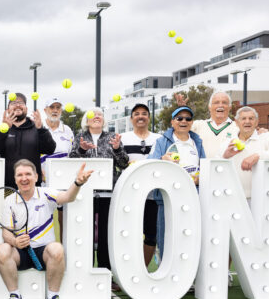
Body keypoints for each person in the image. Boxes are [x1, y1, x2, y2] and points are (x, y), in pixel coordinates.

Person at [0, 159, 93, 299]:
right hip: (20, 254)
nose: (24, 178)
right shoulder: (9, 201)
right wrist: (15, 242)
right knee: (3, 249)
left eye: (28, 174)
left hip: (43, 253)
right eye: (20, 175)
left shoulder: (46, 193)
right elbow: (6, 233)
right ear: (15, 179)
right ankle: (15, 297)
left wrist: (77, 183)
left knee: (57, 248)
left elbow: (68, 197)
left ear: (36, 176)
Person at [69, 108, 128, 272]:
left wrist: (117, 149)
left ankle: (105, 270)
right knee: (84, 232)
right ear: (86, 120)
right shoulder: (79, 138)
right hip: (84, 193)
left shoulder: (112, 137)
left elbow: (123, 163)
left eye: (100, 115)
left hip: (108, 193)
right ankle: (84, 269)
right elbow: (71, 161)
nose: (96, 117)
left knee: (105, 233)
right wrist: (81, 149)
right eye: (92, 115)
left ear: (104, 120)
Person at [148, 106, 205, 260]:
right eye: (179, 118)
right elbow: (149, 164)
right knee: (166, 236)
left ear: (192, 122)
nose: (184, 121)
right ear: (172, 122)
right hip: (167, 196)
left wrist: (200, 179)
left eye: (188, 118)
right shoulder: (161, 141)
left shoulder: (197, 142)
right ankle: (165, 274)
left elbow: (205, 166)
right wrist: (162, 159)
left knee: (188, 236)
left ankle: (187, 278)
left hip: (192, 195)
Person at [218, 106, 269, 199]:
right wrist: (225, 157)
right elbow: (216, 166)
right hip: (233, 198)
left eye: (251, 118)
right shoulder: (228, 142)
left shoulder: (266, 137)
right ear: (236, 122)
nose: (247, 121)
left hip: (261, 199)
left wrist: (258, 156)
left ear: (256, 122)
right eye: (243, 118)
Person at [121, 103, 162, 266]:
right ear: (131, 119)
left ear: (149, 118)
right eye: (136, 113)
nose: (140, 116)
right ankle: (128, 269)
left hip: (153, 194)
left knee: (151, 234)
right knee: (128, 233)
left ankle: (143, 269)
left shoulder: (159, 139)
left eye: (144, 113)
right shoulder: (123, 138)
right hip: (130, 194)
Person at [0, 93, 56, 188]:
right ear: (8, 110)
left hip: (33, 186)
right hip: (6, 187)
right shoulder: (0, 130)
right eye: (14, 103)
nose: (18, 105)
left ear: (26, 109)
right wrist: (4, 131)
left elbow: (50, 149)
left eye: (21, 103)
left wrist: (41, 129)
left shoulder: (37, 128)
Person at [40, 97, 74, 240]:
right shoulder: (39, 128)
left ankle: (63, 252)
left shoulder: (67, 130)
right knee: (42, 220)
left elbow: (71, 155)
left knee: (64, 220)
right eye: (52, 107)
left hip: (63, 185)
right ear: (45, 110)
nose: (55, 110)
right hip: (43, 183)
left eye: (58, 108)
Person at [178, 92, 238, 158]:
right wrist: (182, 110)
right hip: (202, 167)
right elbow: (178, 130)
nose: (220, 105)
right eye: (216, 102)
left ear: (230, 107)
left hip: (227, 167)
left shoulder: (237, 127)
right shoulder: (198, 125)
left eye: (224, 102)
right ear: (209, 107)